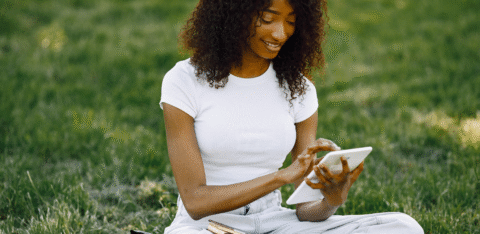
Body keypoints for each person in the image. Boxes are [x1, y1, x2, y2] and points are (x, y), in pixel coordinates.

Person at [159, 0, 424, 233]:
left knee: (403, 227)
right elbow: (195, 202)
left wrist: (331, 200)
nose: (280, 33)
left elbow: (305, 209)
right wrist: (281, 176)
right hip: (204, 226)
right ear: (233, 13)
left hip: (274, 222)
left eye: (291, 21)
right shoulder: (184, 81)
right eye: (267, 18)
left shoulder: (298, 88)